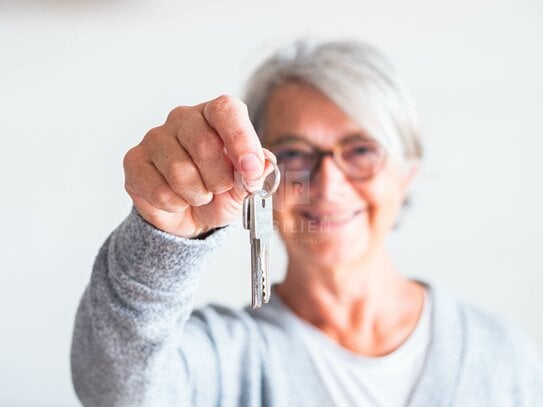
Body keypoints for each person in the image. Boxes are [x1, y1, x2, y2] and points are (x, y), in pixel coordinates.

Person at [71, 39, 543, 406]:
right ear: (256, 175)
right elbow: (117, 392)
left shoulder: (498, 353)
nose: (328, 182)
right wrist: (161, 241)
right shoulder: (224, 357)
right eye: (295, 153)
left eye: (361, 150)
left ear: (406, 174)